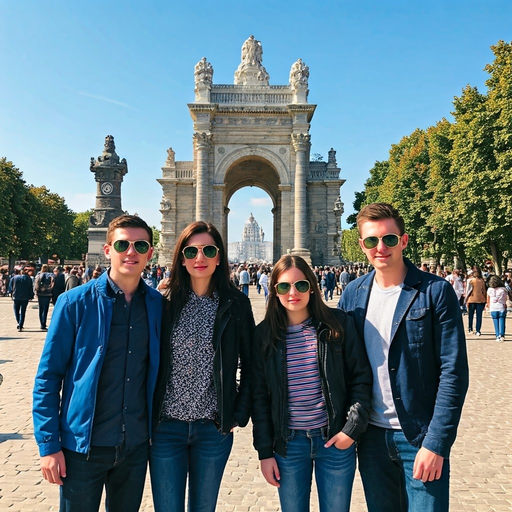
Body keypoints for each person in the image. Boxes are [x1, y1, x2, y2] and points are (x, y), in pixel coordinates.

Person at [338, 202, 469, 512]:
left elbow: (453, 372)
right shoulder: (352, 294)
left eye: (389, 239)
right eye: (371, 241)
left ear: (404, 241)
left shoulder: (436, 292)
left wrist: (437, 442)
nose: (380, 247)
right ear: (362, 246)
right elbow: (342, 365)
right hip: (370, 439)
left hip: (419, 437)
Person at [32, 215, 163, 512]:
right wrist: (49, 446)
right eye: (122, 244)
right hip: (82, 447)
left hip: (135, 446)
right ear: (107, 250)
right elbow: (48, 379)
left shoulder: (158, 305)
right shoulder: (73, 302)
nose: (131, 252)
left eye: (140, 245)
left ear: (149, 254)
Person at [252, 255, 372, 512]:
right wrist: (264, 451)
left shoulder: (338, 324)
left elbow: (361, 378)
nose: (293, 292)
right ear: (274, 291)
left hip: (334, 441)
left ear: (313, 286)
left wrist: (351, 429)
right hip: (288, 445)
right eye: (284, 286)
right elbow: (259, 398)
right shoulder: (262, 336)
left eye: (301, 285)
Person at [150, 221, 254, 512]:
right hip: (165, 427)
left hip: (212, 428)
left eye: (209, 250)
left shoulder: (237, 303)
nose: (200, 258)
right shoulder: (161, 301)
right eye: (191, 251)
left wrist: (238, 412)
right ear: (181, 257)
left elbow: (251, 363)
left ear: (219, 257)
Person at [10, 266, 34, 332]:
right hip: (25, 297)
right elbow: (30, 288)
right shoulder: (28, 278)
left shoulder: (14, 278)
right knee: (23, 311)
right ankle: (20, 324)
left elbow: (10, 287)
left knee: (16, 311)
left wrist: (11, 293)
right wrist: (31, 295)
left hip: (16, 296)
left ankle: (18, 322)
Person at [465, 268, 487, 336]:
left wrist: (466, 299)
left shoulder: (470, 280)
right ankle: (478, 330)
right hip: (480, 299)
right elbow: (483, 291)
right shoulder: (482, 281)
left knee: (470, 315)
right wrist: (486, 299)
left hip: (471, 299)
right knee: (479, 316)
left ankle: (470, 328)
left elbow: (468, 291)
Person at [487, 275, 507, 342]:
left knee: (495, 321)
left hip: (493, 307)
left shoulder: (489, 290)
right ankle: (502, 335)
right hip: (501, 306)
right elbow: (505, 299)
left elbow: (488, 299)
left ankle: (497, 335)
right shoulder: (503, 289)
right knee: (502, 320)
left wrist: (488, 306)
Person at [34, 264, 53, 330]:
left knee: (41, 309)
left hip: (40, 294)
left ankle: (41, 323)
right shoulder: (50, 275)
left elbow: (36, 284)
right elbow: (53, 283)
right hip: (47, 294)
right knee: (45, 309)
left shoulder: (38, 275)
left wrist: (36, 292)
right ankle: (44, 323)